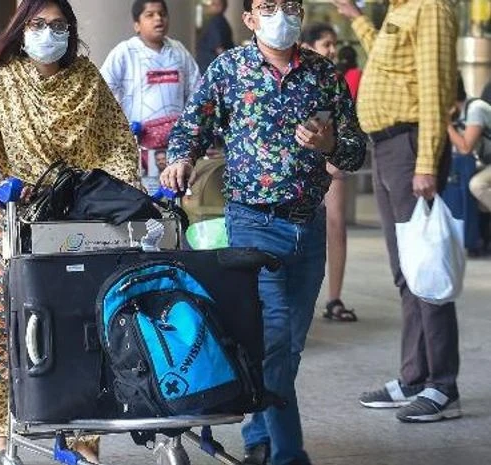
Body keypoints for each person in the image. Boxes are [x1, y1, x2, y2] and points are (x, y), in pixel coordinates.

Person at [0, 1, 139, 463]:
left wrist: (119, 197)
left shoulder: (88, 83)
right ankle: (0, 440)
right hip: (8, 226)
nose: (49, 33)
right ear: (22, 31)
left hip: (75, 227)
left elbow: (117, 145)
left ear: (71, 31)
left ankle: (84, 441)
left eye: (58, 26)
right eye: (39, 25)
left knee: (83, 332)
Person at [162, 0, 366, 462]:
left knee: (288, 347)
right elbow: (191, 126)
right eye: (268, 7)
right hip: (253, 225)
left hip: (307, 229)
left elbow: (356, 151)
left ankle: (258, 432)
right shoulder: (228, 69)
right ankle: (288, 454)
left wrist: (331, 143)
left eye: (290, 6)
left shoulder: (323, 73)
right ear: (250, 20)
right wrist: (181, 158)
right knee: (273, 338)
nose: (281, 16)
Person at [335, 0, 461, 423]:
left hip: (409, 149)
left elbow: (434, 90)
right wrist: (357, 20)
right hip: (388, 147)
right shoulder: (400, 9)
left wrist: (426, 160)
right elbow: (395, 68)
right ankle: (414, 375)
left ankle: (442, 384)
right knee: (406, 271)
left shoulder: (430, 8)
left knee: (426, 267)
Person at [100, 0, 200, 192]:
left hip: (175, 147)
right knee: (144, 200)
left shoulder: (179, 51)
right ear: (136, 24)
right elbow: (103, 93)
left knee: (174, 197)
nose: (158, 19)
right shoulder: (124, 52)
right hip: (139, 145)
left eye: (162, 13)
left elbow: (197, 93)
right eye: (150, 14)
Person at [300, 23, 358, 323]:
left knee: (336, 227)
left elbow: (333, 123)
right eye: (326, 44)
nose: (332, 50)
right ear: (308, 46)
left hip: (329, 163)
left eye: (334, 44)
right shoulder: (294, 76)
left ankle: (334, 298)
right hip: (296, 171)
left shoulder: (331, 79)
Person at [448, 75, 491, 212]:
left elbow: (465, 148)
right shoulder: (459, 113)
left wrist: (446, 124)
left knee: (477, 185)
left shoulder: (475, 109)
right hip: (487, 162)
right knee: (461, 186)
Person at [196, 0, 236, 71]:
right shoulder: (223, 22)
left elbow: (219, 48)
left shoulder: (215, 22)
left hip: (210, 65)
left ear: (220, 7)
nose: (211, 6)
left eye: (213, 4)